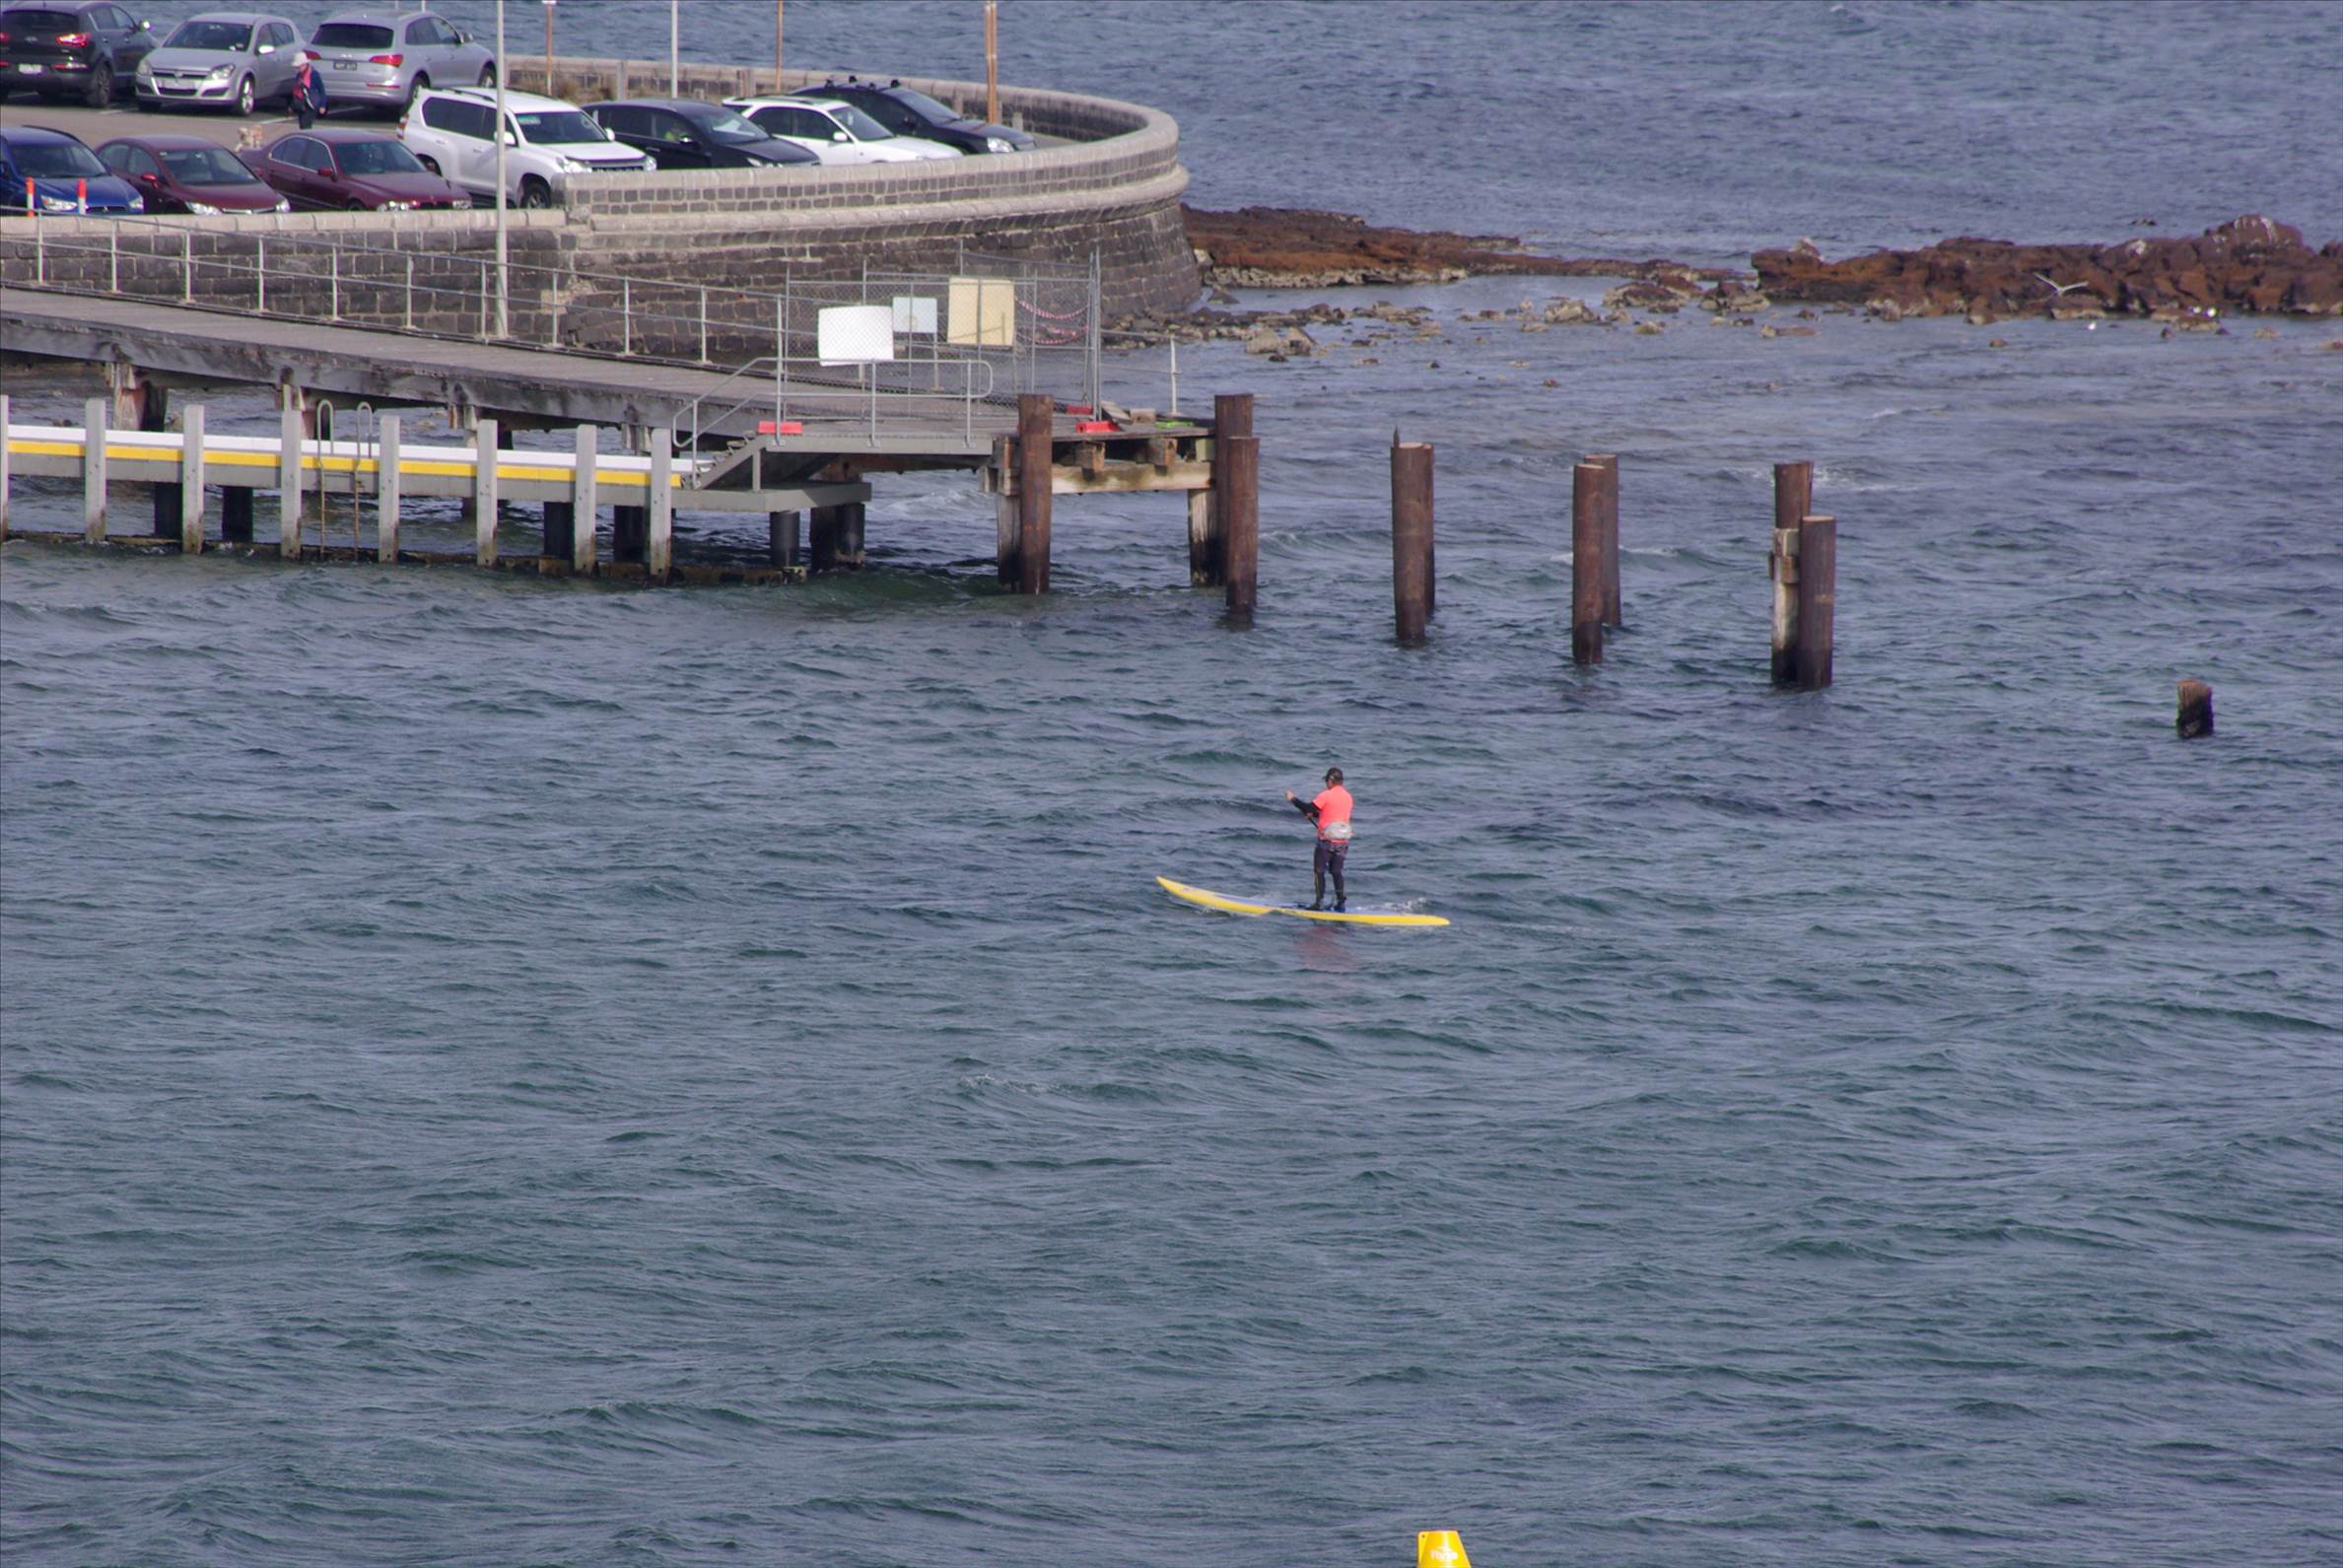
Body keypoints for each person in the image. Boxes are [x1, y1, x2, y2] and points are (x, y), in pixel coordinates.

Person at [1284, 766, 1354, 911]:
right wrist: (1315, 815)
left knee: (1319, 871)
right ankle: (1341, 902)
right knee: (1336, 872)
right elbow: (1333, 813)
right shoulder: (1348, 797)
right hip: (1343, 841)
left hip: (1326, 841)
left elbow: (1308, 807)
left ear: (1330, 780)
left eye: (1326, 781)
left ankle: (1319, 902)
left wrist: (1293, 799)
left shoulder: (1326, 795)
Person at [292, 52, 325, 129]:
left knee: (305, 123)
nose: (298, 69)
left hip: (311, 104)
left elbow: (322, 90)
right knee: (302, 125)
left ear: (304, 64)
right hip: (301, 104)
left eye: (299, 67)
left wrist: (322, 105)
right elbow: (296, 91)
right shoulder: (299, 75)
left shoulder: (314, 74)